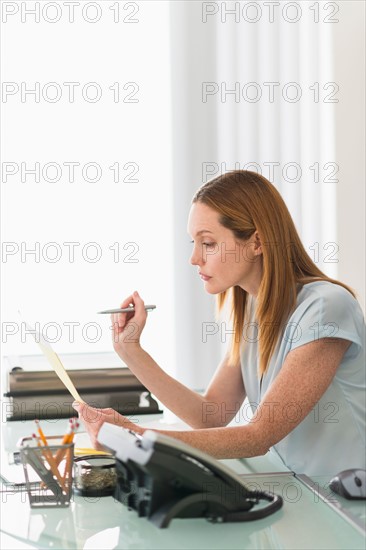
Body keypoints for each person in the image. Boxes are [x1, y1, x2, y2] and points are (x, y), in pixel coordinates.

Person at [73, 170, 366, 475]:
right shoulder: (254, 311)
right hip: (304, 496)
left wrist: (136, 435)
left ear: (257, 242)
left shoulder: (326, 308)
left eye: (208, 243)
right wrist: (131, 351)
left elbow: (258, 436)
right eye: (194, 242)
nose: (194, 258)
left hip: (350, 507)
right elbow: (211, 414)